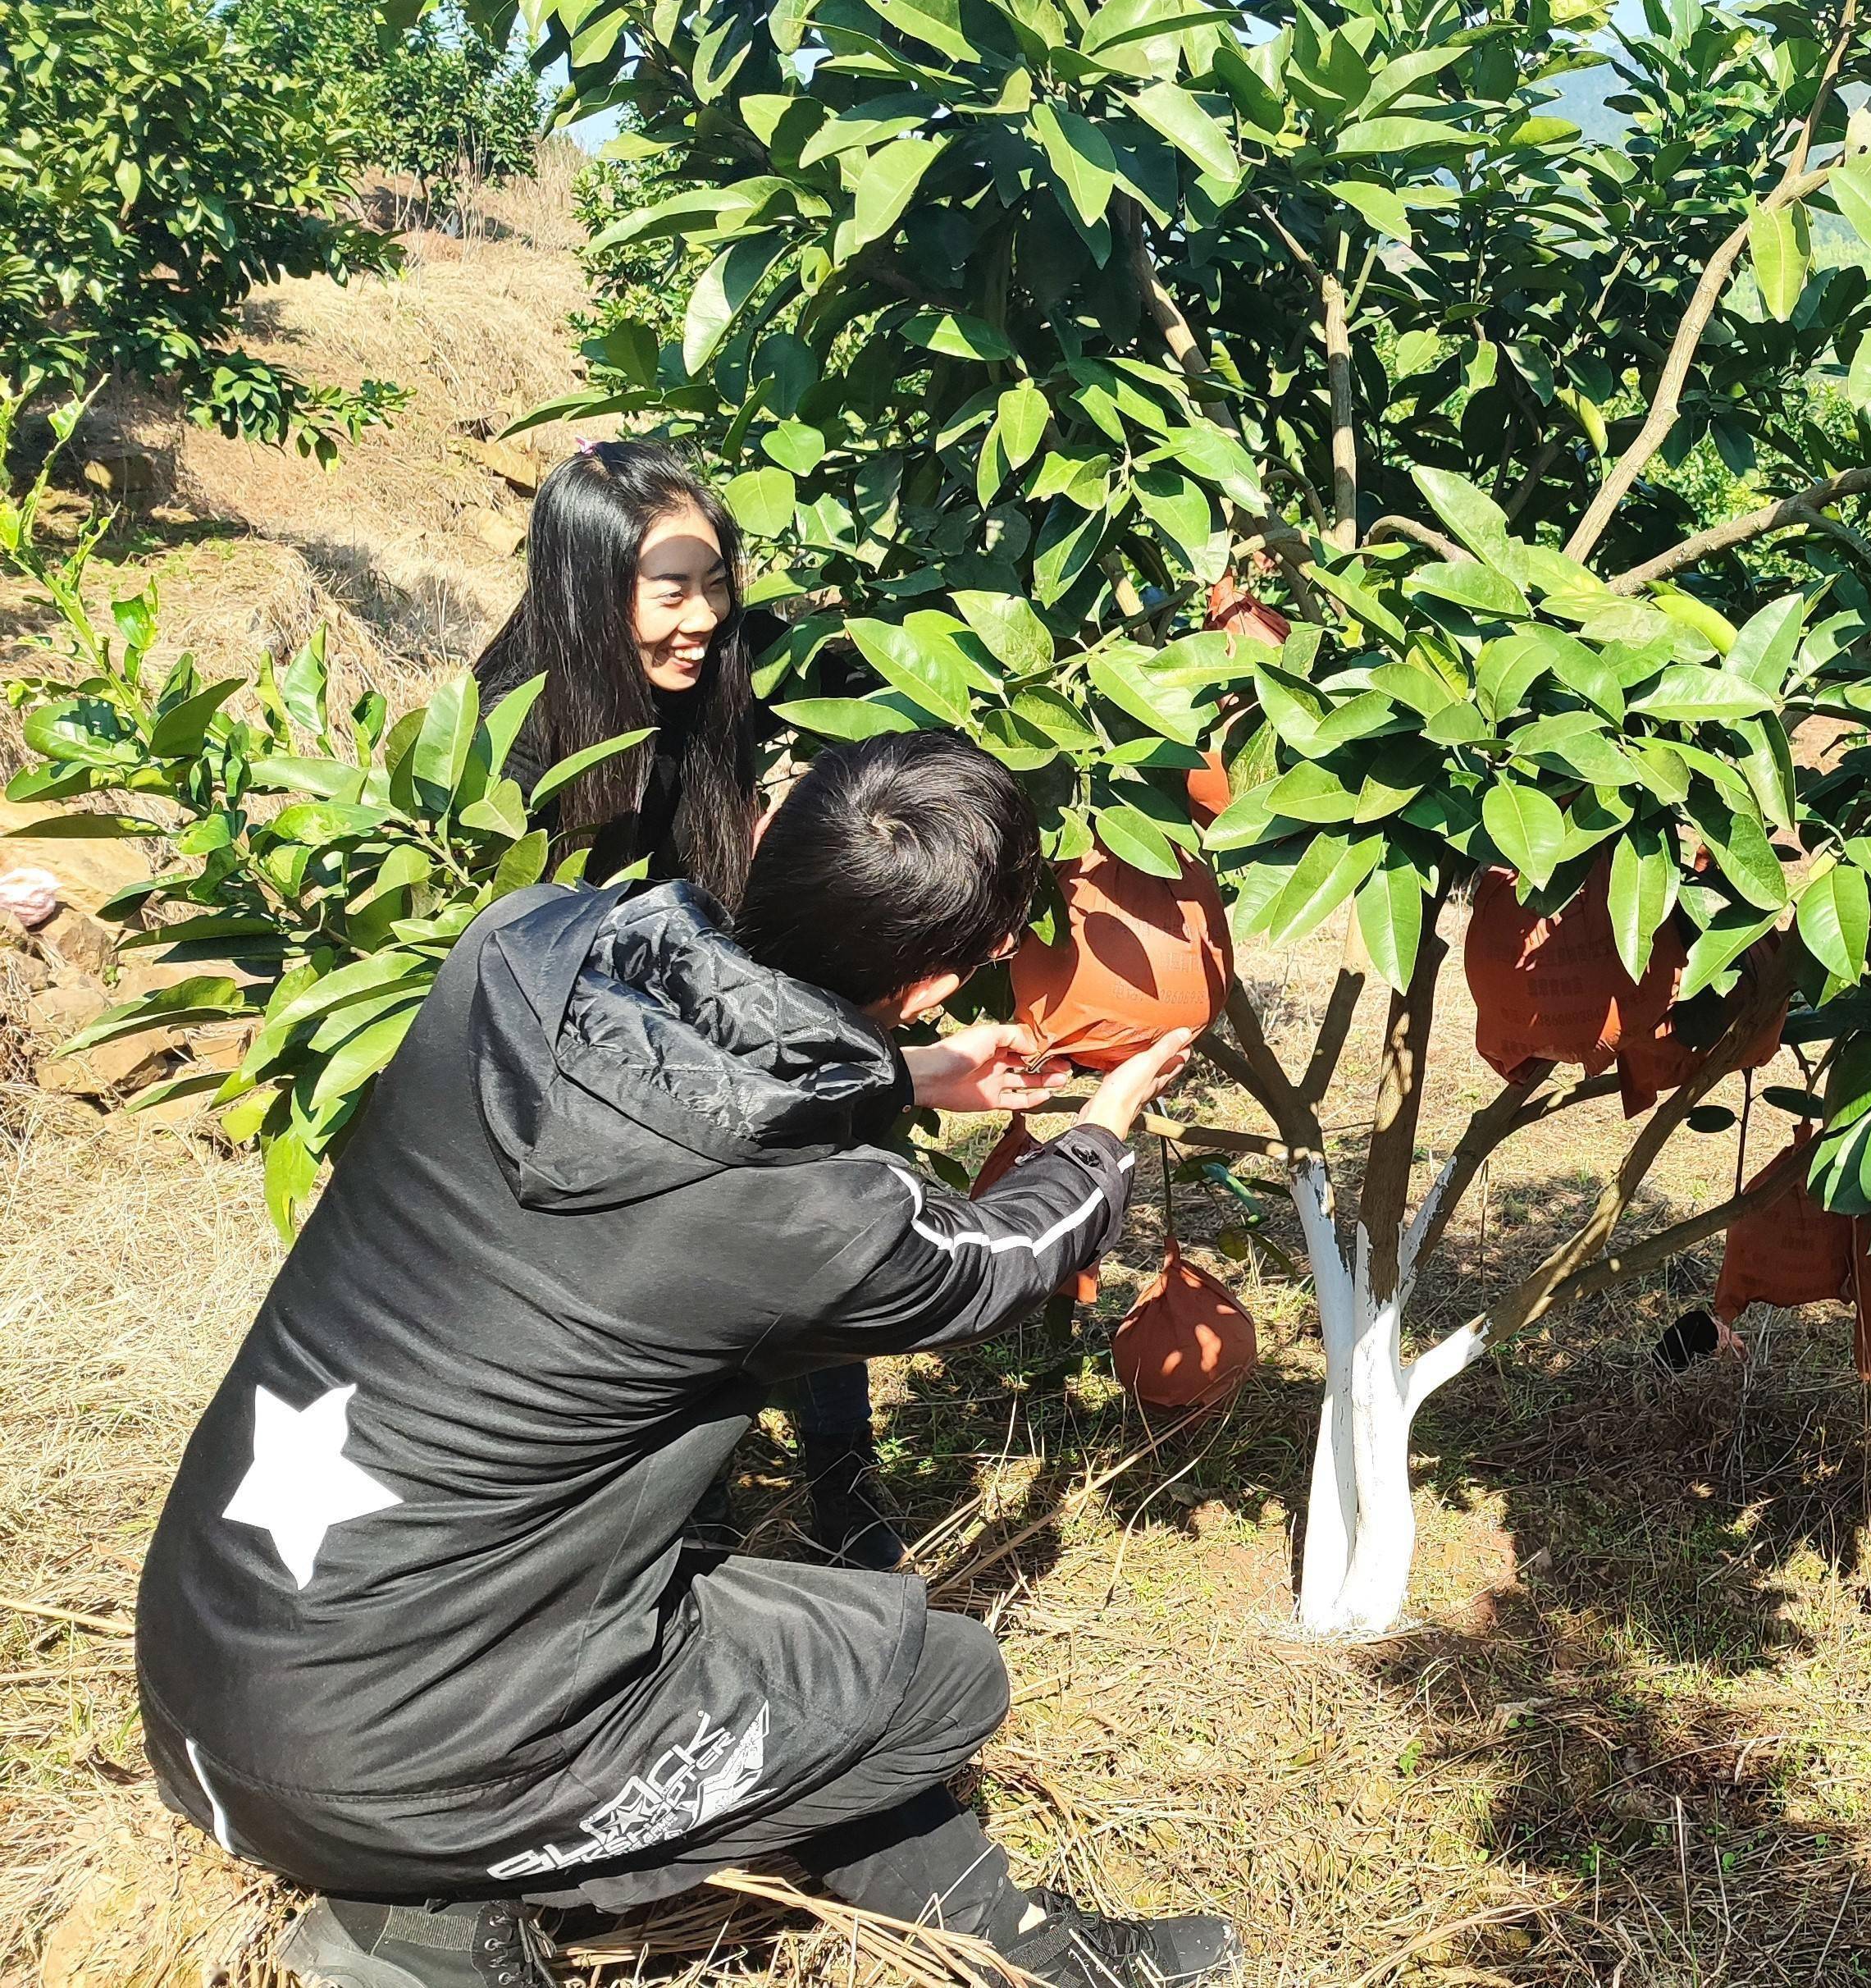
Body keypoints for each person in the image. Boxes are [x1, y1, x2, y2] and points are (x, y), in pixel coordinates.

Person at [133, 734, 1235, 1988]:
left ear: (773, 844)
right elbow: (997, 1261)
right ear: (936, 982)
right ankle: (422, 1926)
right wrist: (1097, 1135)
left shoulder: (519, 949)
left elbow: (687, 1080)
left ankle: (1008, 1948)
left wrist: (907, 1077)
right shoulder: (812, 1216)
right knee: (937, 1675)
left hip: (211, 1663)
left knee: (822, 1650)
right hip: (388, 1759)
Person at [473, 438, 905, 1570]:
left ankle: (848, 1496)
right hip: (583, 1048)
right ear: (589, 584)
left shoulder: (713, 679)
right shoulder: (516, 723)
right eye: (673, 592)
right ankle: (689, 1533)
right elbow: (516, 948)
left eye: (718, 584)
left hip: (691, 998)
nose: (704, 618)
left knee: (811, 1189)